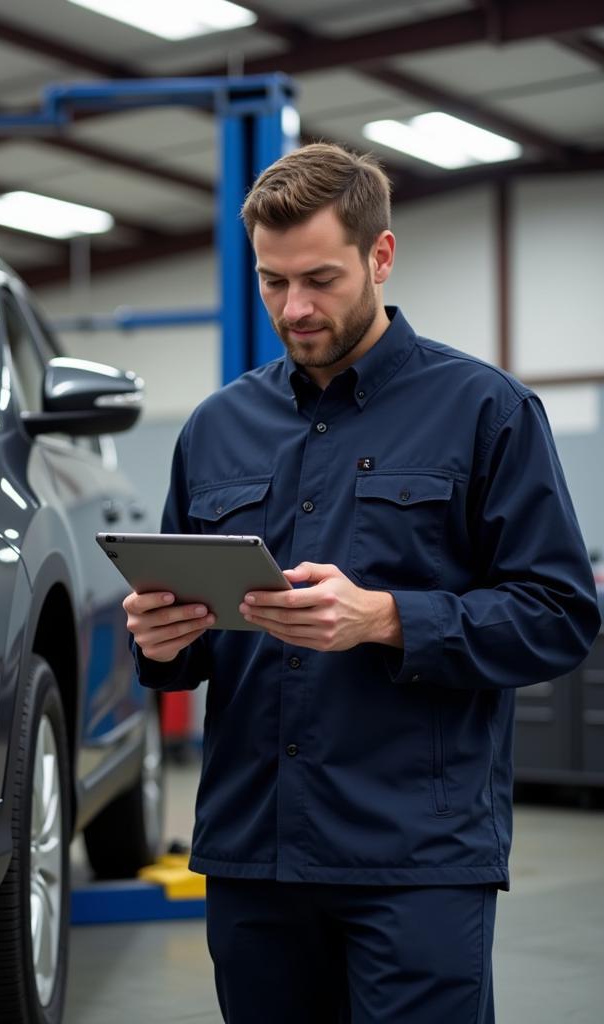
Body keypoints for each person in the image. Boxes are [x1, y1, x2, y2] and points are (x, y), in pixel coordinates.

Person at [124, 142, 601, 1024]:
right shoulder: (217, 428)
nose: (295, 309)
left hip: (413, 858)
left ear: (380, 256)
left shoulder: (485, 411)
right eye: (273, 283)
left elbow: (561, 615)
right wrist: (159, 643)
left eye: (321, 279)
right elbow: (184, 638)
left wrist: (386, 618)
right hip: (252, 855)